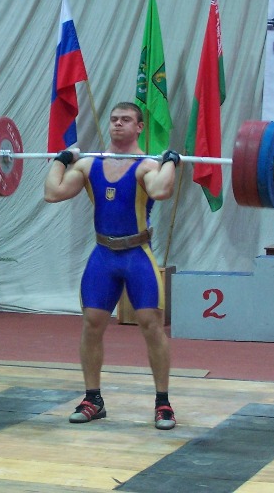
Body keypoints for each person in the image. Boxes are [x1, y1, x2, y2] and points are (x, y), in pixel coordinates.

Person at [44, 101, 179, 430]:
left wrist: (171, 162)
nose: (118, 124)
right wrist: (61, 159)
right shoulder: (89, 165)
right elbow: (52, 192)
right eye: (114, 119)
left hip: (137, 255)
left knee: (151, 325)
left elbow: (161, 190)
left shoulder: (147, 165)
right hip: (103, 255)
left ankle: (163, 403)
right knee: (92, 324)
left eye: (126, 120)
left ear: (139, 127)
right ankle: (93, 399)